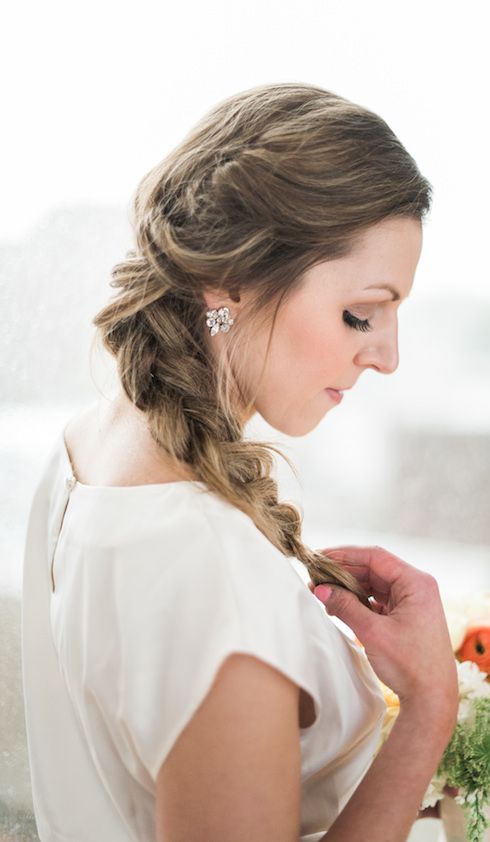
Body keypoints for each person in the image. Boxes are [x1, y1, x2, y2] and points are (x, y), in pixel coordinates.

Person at [21, 82, 458, 841]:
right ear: (234, 278)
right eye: (362, 312)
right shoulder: (211, 574)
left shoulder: (83, 451)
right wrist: (426, 713)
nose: (386, 355)